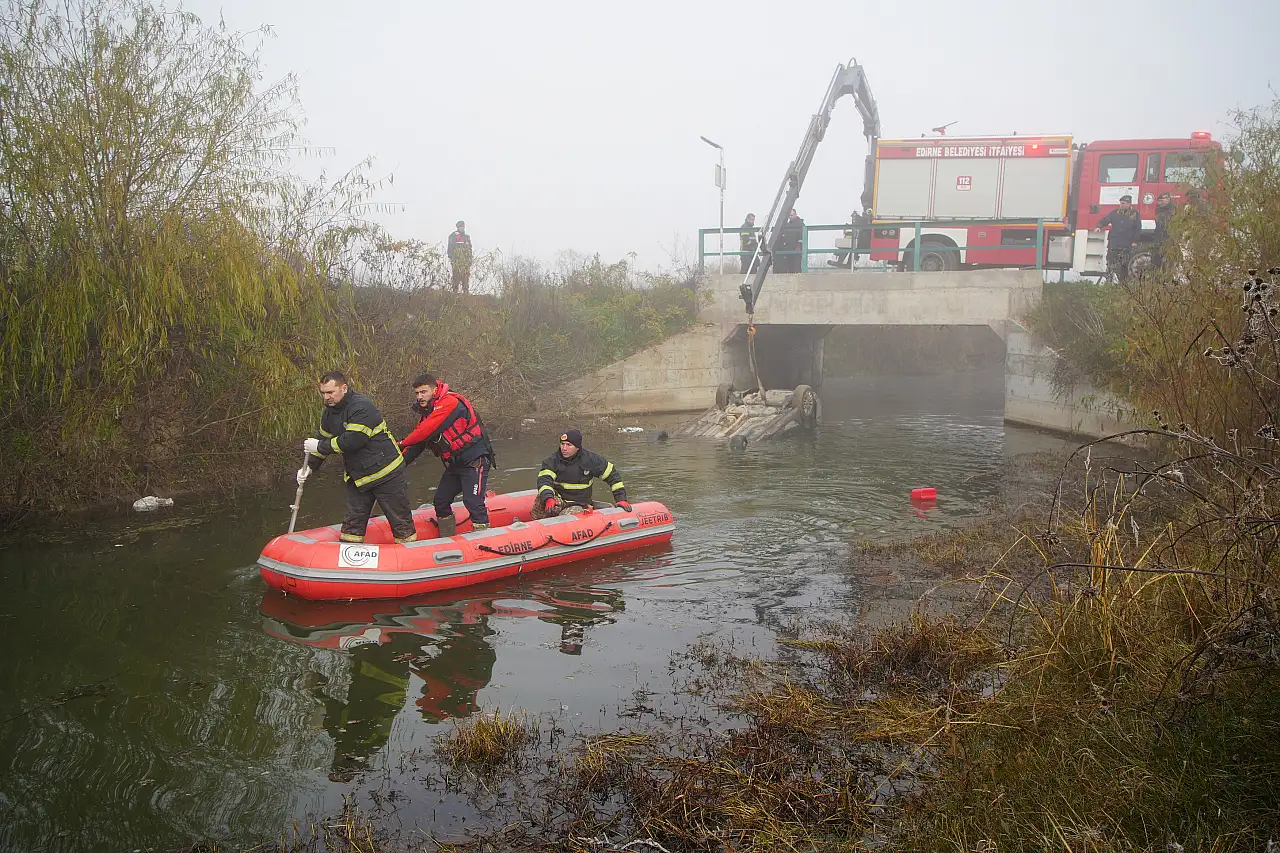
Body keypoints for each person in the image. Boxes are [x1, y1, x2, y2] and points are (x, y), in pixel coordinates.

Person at [298, 371, 415, 544]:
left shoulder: (362, 407)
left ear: (344, 388)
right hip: (358, 476)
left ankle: (409, 557)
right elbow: (323, 439)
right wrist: (310, 467)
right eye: (323, 393)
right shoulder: (329, 414)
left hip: (386, 472)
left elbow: (353, 440)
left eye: (330, 392)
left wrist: (319, 446)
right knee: (352, 525)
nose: (326, 397)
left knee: (400, 522)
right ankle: (349, 560)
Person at [398, 373, 495, 535]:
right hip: (456, 464)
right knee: (441, 501)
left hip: (474, 461)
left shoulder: (450, 403)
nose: (420, 397)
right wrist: (397, 465)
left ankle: (483, 538)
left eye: (423, 392)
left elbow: (424, 432)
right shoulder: (427, 415)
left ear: (435, 390)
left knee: (473, 502)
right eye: (417, 393)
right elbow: (417, 444)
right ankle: (448, 539)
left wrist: (401, 443)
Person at [533, 429, 630, 519]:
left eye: (568, 445)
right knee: (539, 504)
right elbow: (544, 481)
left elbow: (613, 476)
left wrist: (621, 499)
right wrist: (548, 498)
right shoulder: (552, 461)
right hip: (560, 499)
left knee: (566, 518)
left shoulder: (591, 460)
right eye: (562, 444)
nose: (564, 448)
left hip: (579, 503)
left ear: (577, 447)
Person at [1096, 194, 1141, 283]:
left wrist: (1135, 241)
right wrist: (1099, 226)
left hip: (1126, 245)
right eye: (1120, 203)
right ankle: (1109, 282)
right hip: (1114, 244)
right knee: (1110, 264)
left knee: (1124, 266)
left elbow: (1138, 229)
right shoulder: (1114, 213)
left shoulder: (1135, 214)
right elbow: (1105, 219)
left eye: (1123, 203)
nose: (1121, 205)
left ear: (1129, 204)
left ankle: (1123, 284)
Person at [447, 220, 473, 294]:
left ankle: (466, 294)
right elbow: (450, 249)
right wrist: (453, 260)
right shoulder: (453, 236)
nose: (462, 228)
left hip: (465, 263)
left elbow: (470, 250)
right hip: (457, 262)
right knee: (456, 278)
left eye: (463, 226)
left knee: (465, 279)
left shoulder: (467, 237)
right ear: (457, 227)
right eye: (460, 226)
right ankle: (454, 294)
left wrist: (470, 260)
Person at [1152, 191, 1175, 268]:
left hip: (1169, 240)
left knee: (1168, 263)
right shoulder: (1158, 210)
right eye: (1159, 201)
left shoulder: (1174, 210)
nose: (1160, 203)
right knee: (1156, 262)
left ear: (1168, 200)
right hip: (1159, 239)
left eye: (1161, 201)